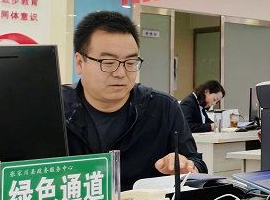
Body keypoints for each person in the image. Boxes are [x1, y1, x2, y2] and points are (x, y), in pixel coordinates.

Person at [63, 11, 207, 190]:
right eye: (108, 62)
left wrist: (186, 167)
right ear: (79, 63)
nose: (120, 73)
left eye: (130, 63)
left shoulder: (163, 108)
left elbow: (197, 164)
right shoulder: (53, 109)